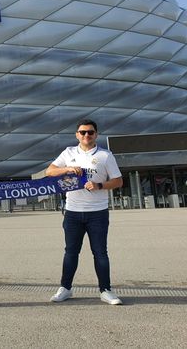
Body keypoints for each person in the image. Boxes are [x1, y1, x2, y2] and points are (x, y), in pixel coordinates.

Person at [45, 119, 124, 305]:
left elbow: (118, 181)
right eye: (82, 132)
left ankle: (106, 290)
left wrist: (99, 185)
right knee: (71, 252)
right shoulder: (69, 152)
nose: (86, 135)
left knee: (100, 252)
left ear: (96, 134)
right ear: (77, 135)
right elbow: (50, 171)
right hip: (73, 212)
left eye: (90, 132)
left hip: (97, 212)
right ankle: (65, 288)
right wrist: (67, 169)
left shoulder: (105, 155)